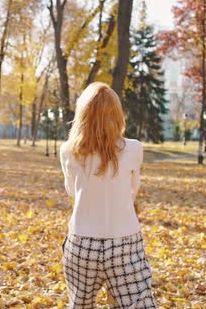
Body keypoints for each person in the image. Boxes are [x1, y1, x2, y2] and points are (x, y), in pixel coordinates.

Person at [59, 82, 156, 308]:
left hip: (82, 242)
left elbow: (72, 192)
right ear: (117, 114)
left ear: (82, 114)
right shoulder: (134, 148)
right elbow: (133, 192)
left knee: (79, 304)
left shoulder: (68, 151)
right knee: (138, 304)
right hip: (124, 243)